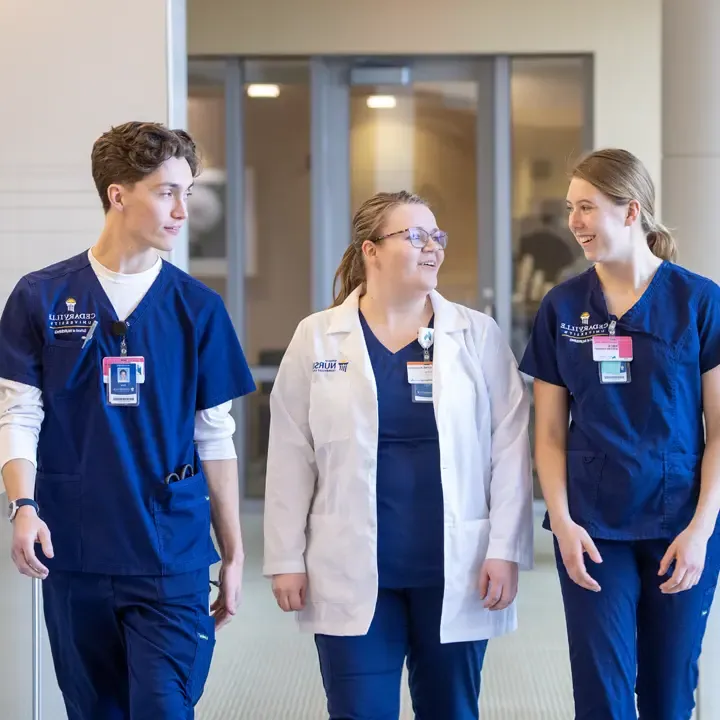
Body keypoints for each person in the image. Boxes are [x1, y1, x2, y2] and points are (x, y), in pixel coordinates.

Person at [0, 122, 256, 719]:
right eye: (167, 192)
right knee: (95, 712)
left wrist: (235, 552)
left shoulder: (198, 309)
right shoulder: (41, 297)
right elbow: (19, 413)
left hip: (171, 554)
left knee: (164, 708)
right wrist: (24, 506)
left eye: (188, 194)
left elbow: (215, 436)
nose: (182, 211)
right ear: (119, 194)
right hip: (77, 548)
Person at [263, 190, 534, 719]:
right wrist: (284, 558)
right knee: (359, 710)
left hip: (455, 567)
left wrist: (506, 548)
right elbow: (292, 454)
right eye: (415, 235)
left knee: (451, 710)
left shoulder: (475, 335)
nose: (432, 246)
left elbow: (509, 447)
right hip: (349, 567)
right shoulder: (318, 337)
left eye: (437, 236)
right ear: (371, 250)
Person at [519, 148, 720, 720]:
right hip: (592, 528)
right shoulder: (563, 307)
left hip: (681, 523)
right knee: (601, 695)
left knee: (669, 694)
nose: (574, 222)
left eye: (587, 207)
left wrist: (702, 530)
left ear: (631, 212)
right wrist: (560, 521)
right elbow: (550, 432)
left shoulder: (699, 301)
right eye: (570, 208)